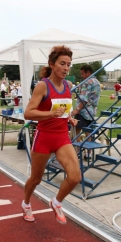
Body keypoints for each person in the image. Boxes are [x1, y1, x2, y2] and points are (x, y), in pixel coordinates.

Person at [22, 45, 79, 225]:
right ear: (52, 64)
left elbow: (62, 109)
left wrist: (69, 117)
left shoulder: (68, 86)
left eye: (69, 64)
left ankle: (56, 202)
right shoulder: (42, 86)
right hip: (44, 137)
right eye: (62, 63)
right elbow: (28, 113)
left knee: (75, 177)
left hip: (62, 137)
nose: (66, 68)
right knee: (36, 179)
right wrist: (50, 115)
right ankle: (26, 203)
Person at [71, 64, 101, 160]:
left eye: (83, 74)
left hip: (84, 111)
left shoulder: (87, 82)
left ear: (88, 72)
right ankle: (88, 154)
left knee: (76, 131)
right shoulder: (96, 82)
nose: (82, 76)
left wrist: (77, 109)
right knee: (89, 132)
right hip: (92, 111)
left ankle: (78, 152)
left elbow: (84, 98)